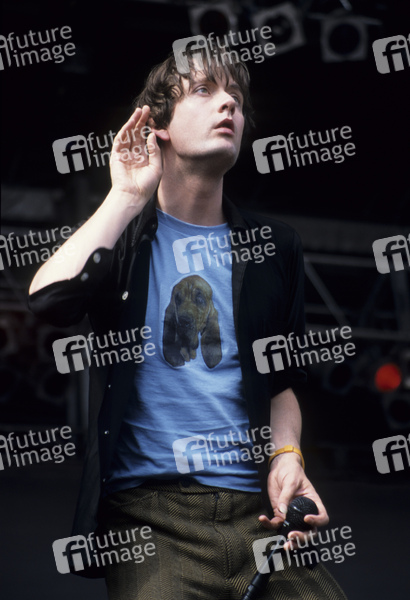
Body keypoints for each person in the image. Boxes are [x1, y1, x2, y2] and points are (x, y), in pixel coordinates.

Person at [29, 45, 347, 600]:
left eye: (237, 98)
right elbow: (49, 301)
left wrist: (288, 459)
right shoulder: (122, 237)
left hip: (259, 513)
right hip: (149, 518)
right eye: (205, 90)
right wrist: (127, 194)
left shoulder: (275, 247)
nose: (229, 104)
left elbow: (280, 383)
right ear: (158, 125)